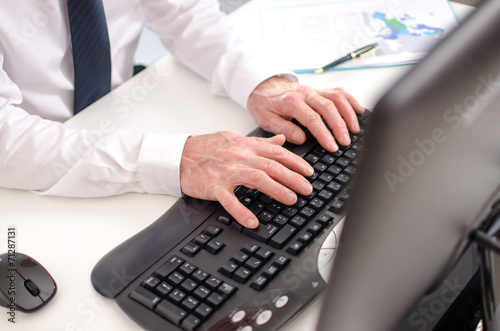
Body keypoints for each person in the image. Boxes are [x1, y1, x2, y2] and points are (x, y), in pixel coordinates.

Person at [0, 0, 364, 229]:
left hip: (122, 109)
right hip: (30, 178)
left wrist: (259, 82)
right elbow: (7, 140)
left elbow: (185, 13)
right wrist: (179, 159)